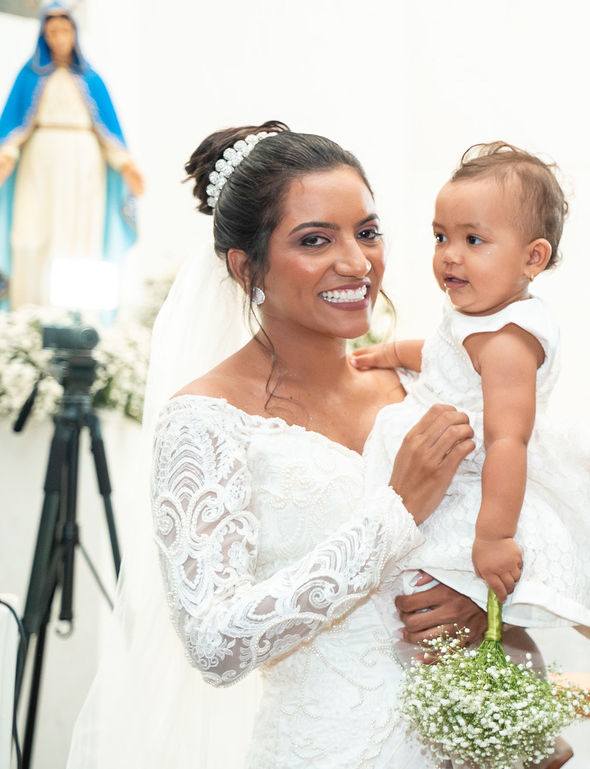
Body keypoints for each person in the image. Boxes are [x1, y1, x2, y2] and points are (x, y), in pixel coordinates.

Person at [66, 122, 473, 769]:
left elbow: (505, 531)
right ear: (244, 266)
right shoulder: (204, 422)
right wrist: (394, 511)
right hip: (322, 750)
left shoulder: (420, 385)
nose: (357, 262)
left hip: (460, 745)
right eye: (315, 240)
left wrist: (475, 604)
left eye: (367, 231)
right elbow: (214, 640)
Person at [352, 141, 590, 639]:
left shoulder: (510, 341)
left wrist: (493, 536)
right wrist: (392, 352)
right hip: (457, 451)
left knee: (436, 577)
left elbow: (509, 439)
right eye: (441, 237)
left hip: (481, 473)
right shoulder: (480, 321)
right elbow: (448, 360)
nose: (450, 256)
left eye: (473, 240)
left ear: (533, 257)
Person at [0, 2, 142, 308]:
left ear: (74, 34)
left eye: (64, 31)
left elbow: (109, 131)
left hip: (83, 164)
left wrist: (125, 164)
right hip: (39, 160)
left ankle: (77, 312)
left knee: (79, 233)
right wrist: (7, 153)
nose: (59, 38)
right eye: (52, 32)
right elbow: (13, 123)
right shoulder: (28, 77)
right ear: (44, 36)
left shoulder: (92, 80)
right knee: (30, 229)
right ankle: (29, 310)